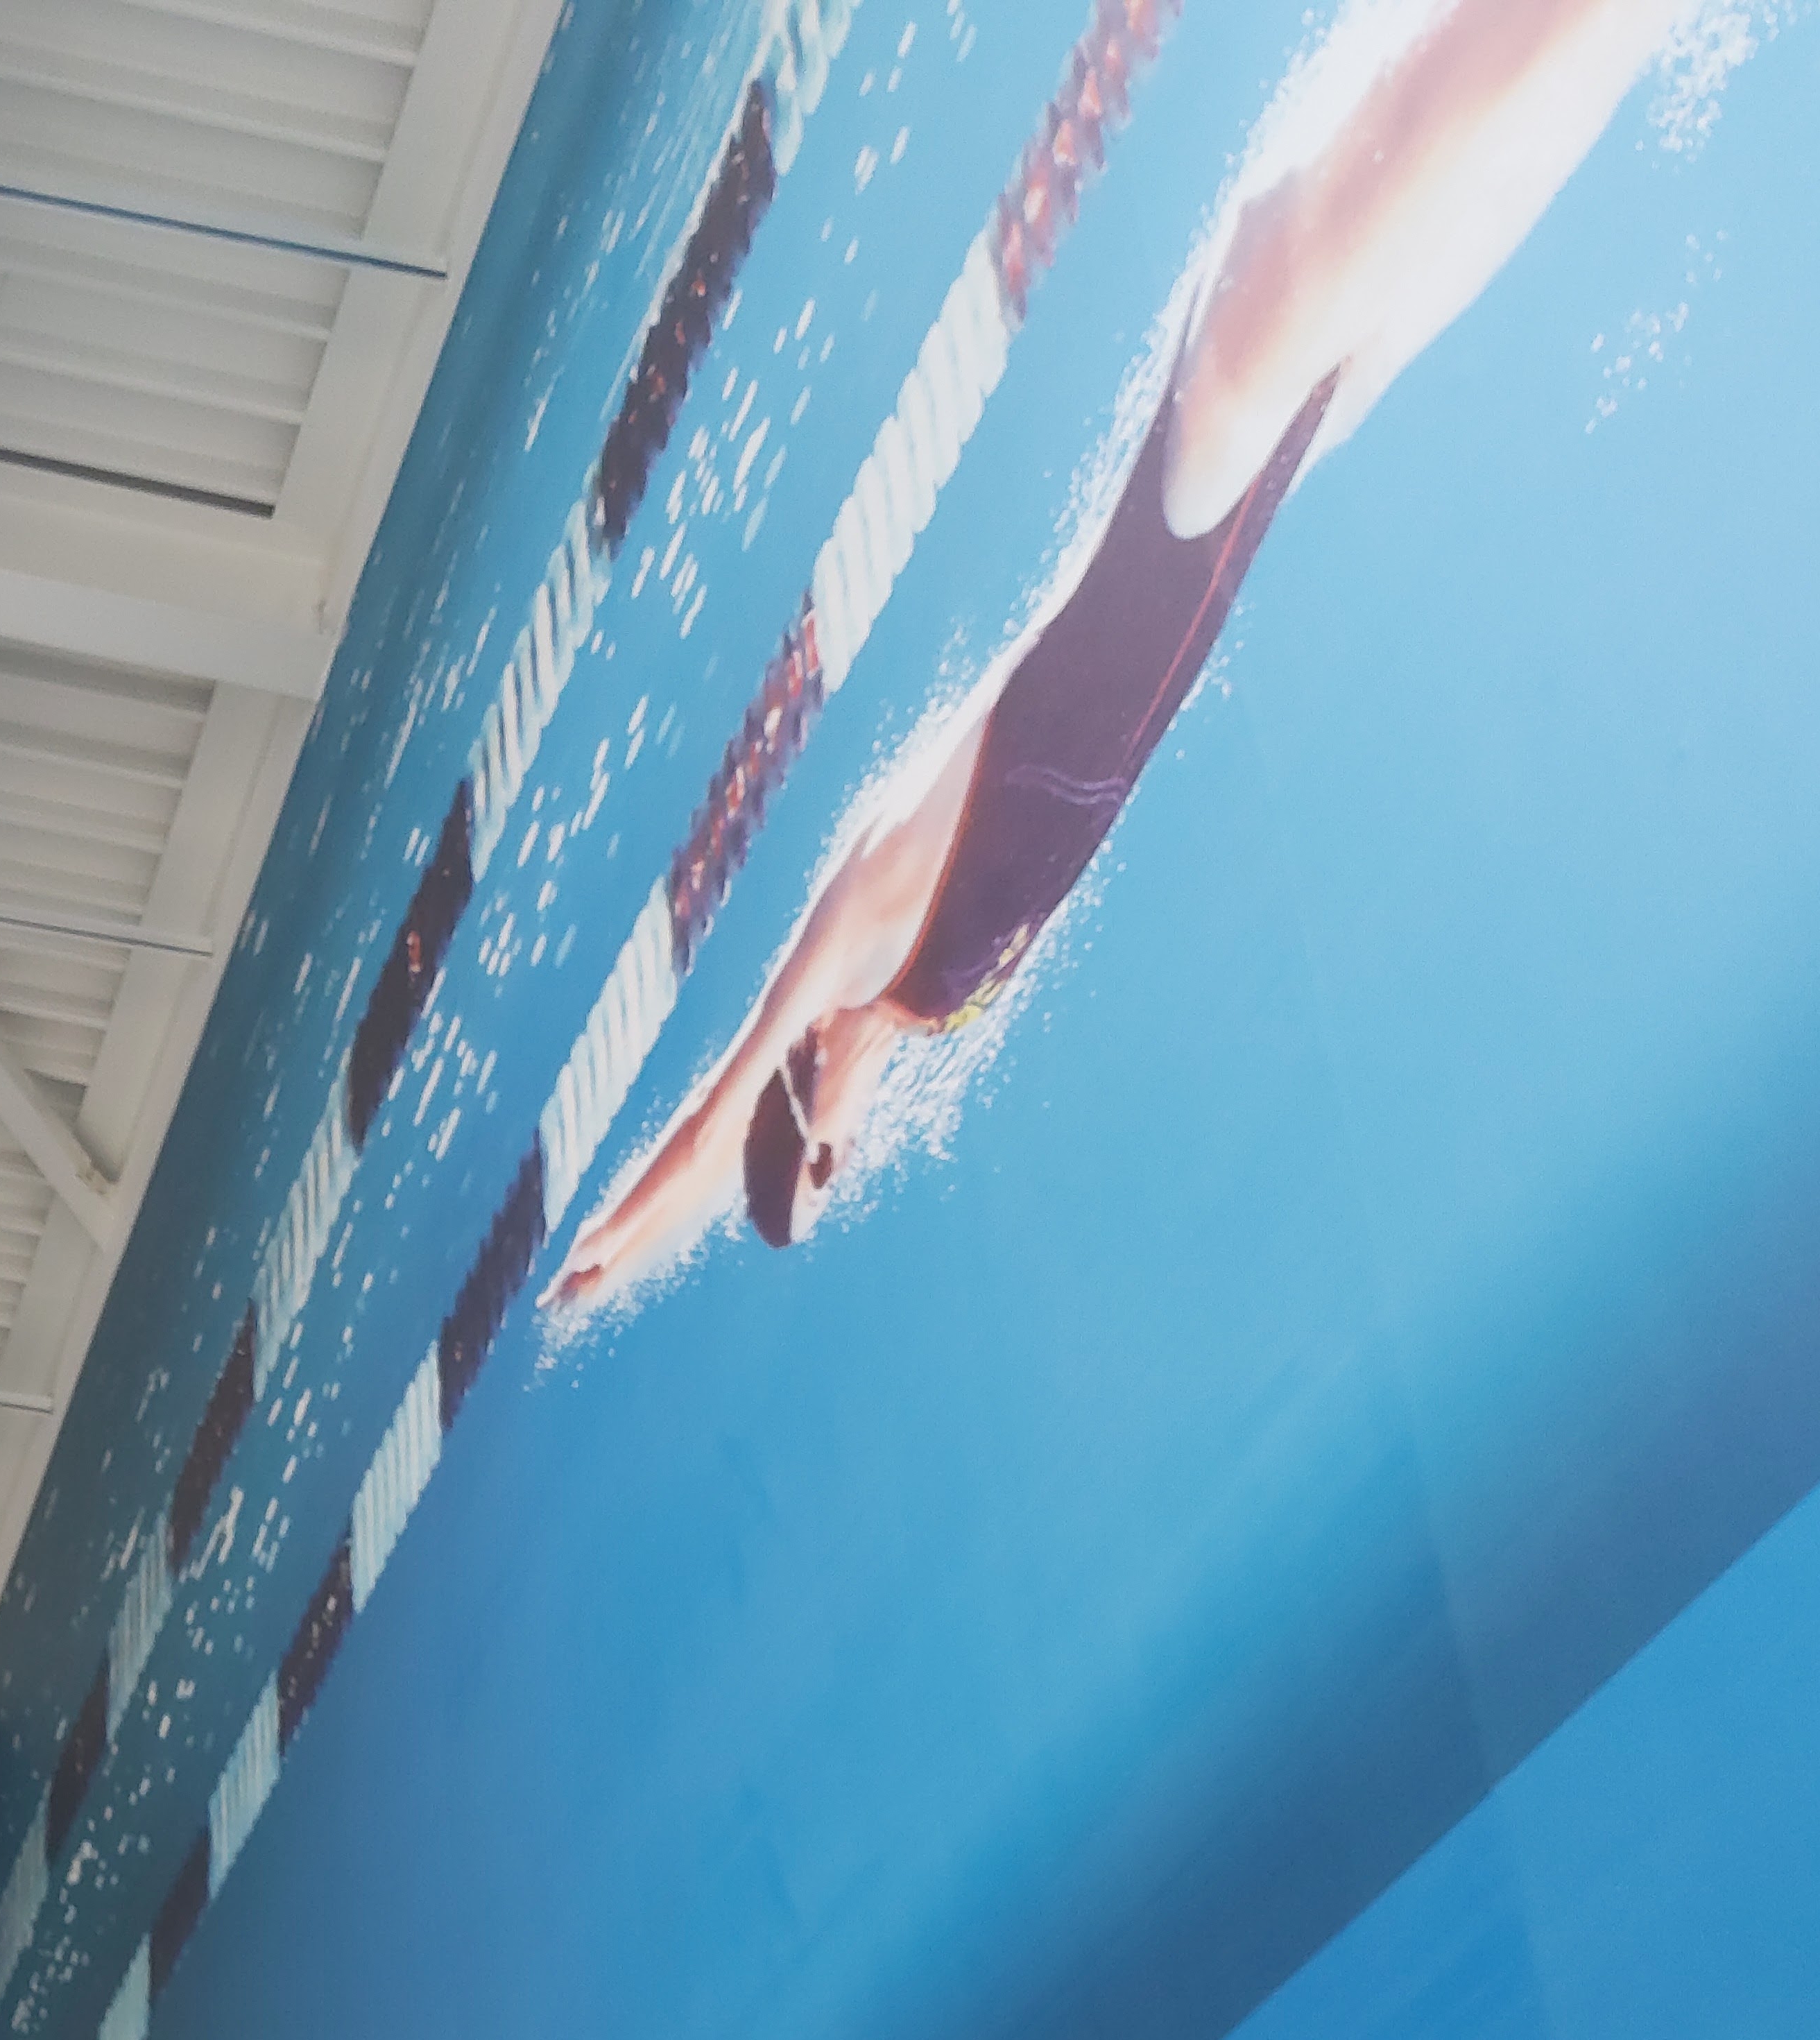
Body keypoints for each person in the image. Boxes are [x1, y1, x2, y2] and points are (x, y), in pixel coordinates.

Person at [554, 0, 1694, 1294]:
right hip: (1248, 481)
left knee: (1523, 59)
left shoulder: (879, 932)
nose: (850, 1157)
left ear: (807, 1118)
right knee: (1551, 114)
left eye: (826, 1166)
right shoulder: (941, 1000)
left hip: (1203, 452)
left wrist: (633, 1238)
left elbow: (728, 1109)